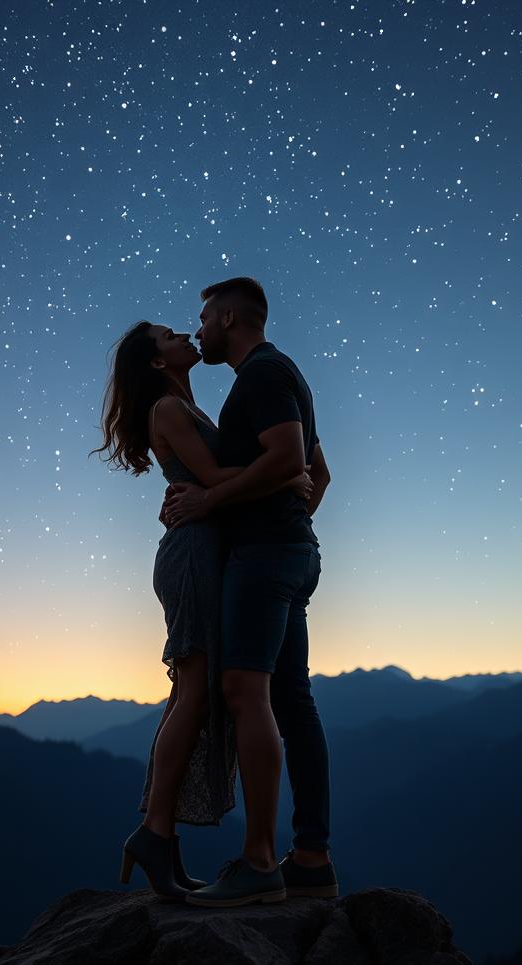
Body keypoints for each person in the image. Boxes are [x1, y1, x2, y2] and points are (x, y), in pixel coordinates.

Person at [92, 320, 313, 901]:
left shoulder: (190, 407)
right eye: (170, 336)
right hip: (192, 557)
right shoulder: (168, 409)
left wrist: (284, 475)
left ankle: (159, 837)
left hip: (211, 555)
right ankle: (156, 832)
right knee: (192, 690)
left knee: (197, 691)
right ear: (157, 362)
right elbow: (213, 479)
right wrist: (286, 473)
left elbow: (217, 481)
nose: (186, 335)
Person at [160, 277, 336, 908]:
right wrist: (297, 514)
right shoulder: (283, 374)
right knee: (292, 701)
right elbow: (317, 472)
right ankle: (311, 857)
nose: (199, 329)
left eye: (204, 318)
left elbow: (290, 459)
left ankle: (261, 861)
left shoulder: (259, 375)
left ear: (229, 317)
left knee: (243, 690)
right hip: (289, 551)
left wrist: (212, 497)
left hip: (264, 557)